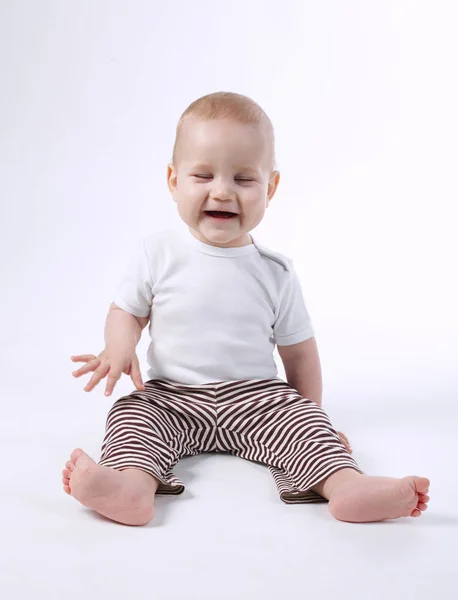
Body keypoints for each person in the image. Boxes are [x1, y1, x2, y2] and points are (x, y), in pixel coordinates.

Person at [62, 92, 430, 526]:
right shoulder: (156, 253)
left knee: (301, 417)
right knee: (131, 413)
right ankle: (131, 486)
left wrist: (314, 420)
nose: (222, 191)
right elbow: (127, 311)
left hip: (256, 397)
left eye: (243, 179)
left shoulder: (276, 271)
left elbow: (299, 354)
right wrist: (117, 347)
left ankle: (344, 484)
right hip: (171, 396)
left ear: (270, 188)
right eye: (202, 175)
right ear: (173, 180)